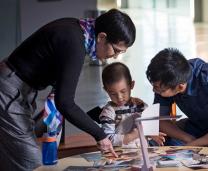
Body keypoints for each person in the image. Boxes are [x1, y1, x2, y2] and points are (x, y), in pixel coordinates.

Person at [0, 9, 135, 170]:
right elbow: (64, 102)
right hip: (9, 89)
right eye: (116, 50)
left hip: (19, 90)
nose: (115, 56)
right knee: (32, 164)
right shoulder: (75, 43)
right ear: (102, 37)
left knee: (13, 156)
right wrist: (100, 135)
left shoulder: (79, 32)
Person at [99, 62, 166, 148]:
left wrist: (151, 134)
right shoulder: (109, 111)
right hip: (120, 156)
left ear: (132, 85)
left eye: (123, 91)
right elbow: (107, 139)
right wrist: (132, 136)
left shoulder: (141, 106)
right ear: (106, 90)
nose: (119, 97)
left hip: (143, 154)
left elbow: (147, 128)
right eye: (113, 94)